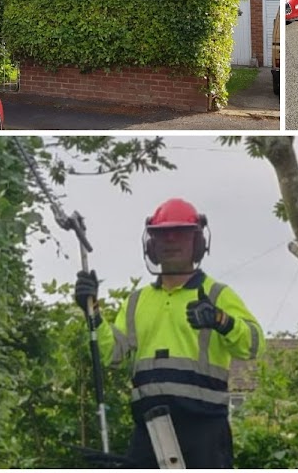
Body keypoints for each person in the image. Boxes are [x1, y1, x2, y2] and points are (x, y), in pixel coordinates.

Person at [75, 198, 263, 468]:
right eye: (163, 235)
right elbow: (112, 354)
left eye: (181, 235)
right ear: (151, 245)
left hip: (204, 429)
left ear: (197, 244)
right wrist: (91, 311)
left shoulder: (217, 294)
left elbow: (254, 345)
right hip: (149, 429)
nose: (171, 241)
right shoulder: (137, 302)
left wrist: (221, 320)